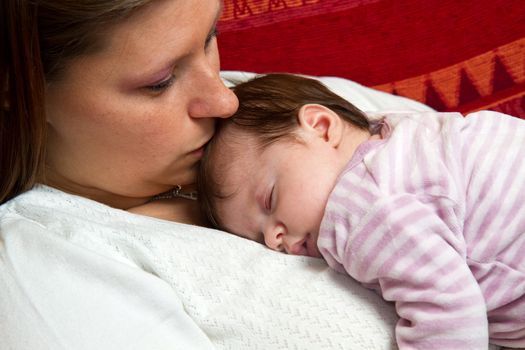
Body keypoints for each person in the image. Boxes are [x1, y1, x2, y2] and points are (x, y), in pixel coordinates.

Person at [198, 73, 525, 349]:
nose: (272, 239)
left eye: (269, 200)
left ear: (322, 127)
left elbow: (450, 314)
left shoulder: (358, 212)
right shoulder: (399, 128)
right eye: (256, 236)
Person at [1, 0, 239, 348]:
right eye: (161, 82)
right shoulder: (45, 282)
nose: (226, 101)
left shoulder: (287, 108)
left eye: (209, 37)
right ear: (19, 87)